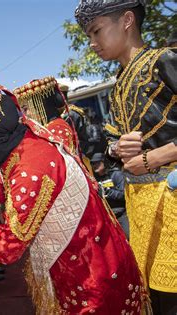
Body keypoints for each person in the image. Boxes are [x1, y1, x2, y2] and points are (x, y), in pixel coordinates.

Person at [0, 75, 146, 314]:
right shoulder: (23, 144)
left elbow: (4, 248)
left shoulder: (29, 167)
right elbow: (4, 189)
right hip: (86, 263)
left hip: (90, 281)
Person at [75, 1, 177, 313]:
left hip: (171, 197)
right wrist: (118, 148)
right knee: (157, 297)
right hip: (141, 203)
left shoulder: (165, 60)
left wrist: (155, 156)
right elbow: (109, 143)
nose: (92, 43)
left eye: (96, 31)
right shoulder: (120, 82)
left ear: (127, 21)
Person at [90, 153, 129, 238]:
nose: (94, 165)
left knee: (129, 237)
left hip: (122, 215)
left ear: (104, 162)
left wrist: (108, 192)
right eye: (93, 163)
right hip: (107, 218)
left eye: (97, 162)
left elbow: (124, 195)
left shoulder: (116, 174)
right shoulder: (95, 179)